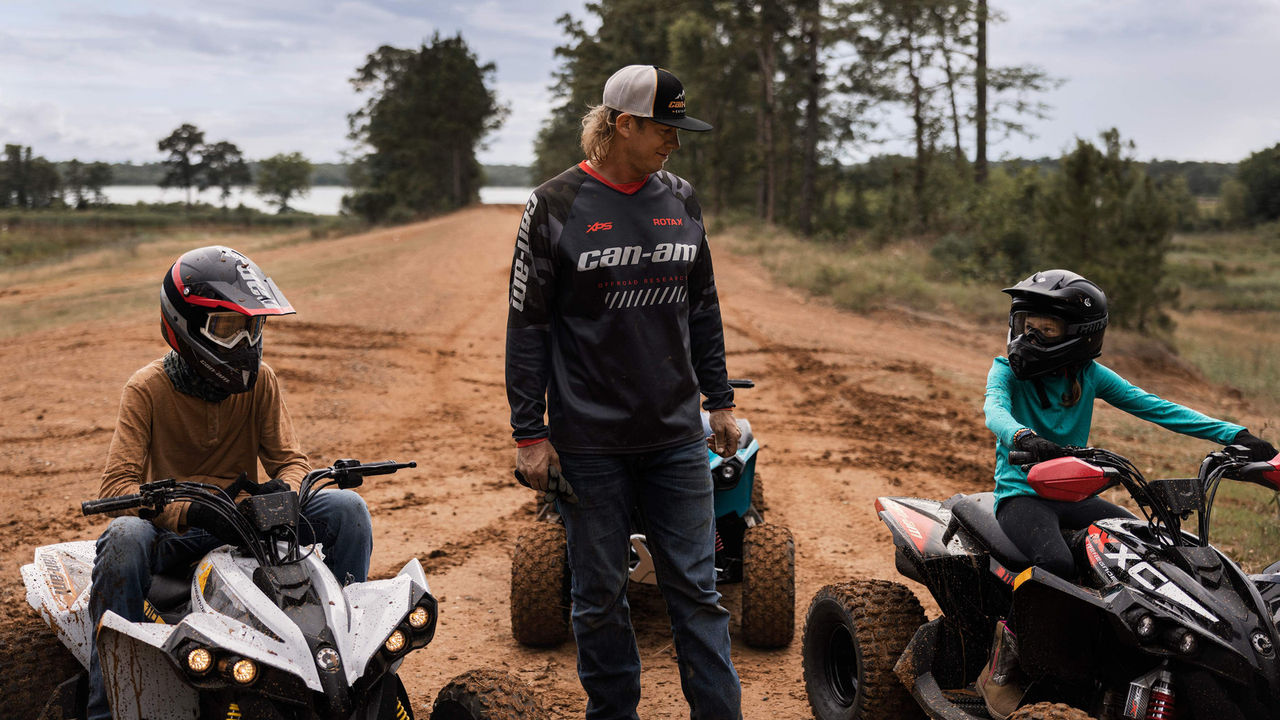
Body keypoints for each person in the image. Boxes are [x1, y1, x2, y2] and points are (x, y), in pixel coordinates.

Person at [505, 65, 743, 720]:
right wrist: (530, 434)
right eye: (665, 127)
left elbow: (703, 309)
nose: (675, 140)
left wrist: (719, 399)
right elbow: (527, 327)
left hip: (675, 437)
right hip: (589, 445)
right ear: (623, 124)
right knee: (599, 598)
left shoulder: (681, 199)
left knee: (697, 595)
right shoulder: (553, 206)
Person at [87, 246, 373, 720]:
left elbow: (291, 461)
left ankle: (344, 661)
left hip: (246, 524)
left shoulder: (262, 382)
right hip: (179, 532)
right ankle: (107, 707)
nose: (244, 342)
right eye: (226, 327)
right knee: (123, 536)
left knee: (346, 510)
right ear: (185, 326)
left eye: (252, 327)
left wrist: (285, 490)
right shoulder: (146, 388)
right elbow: (118, 488)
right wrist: (189, 510)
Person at [977, 268, 1276, 719]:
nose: (1029, 338)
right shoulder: (1006, 370)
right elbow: (994, 409)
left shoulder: (1091, 376)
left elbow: (1156, 407)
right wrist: (1020, 437)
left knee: (1146, 547)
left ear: (1077, 335)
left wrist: (1234, 434)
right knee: (1054, 564)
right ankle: (1007, 661)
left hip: (1075, 496)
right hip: (1021, 496)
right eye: (1026, 326)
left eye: (1045, 330)